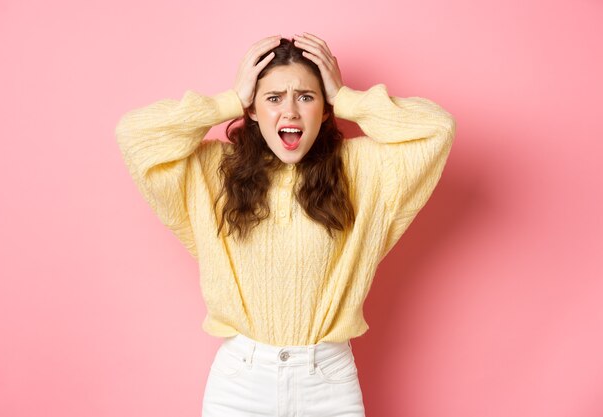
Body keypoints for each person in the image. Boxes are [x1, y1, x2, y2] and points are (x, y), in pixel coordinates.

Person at [115, 32, 456, 417]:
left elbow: (437, 128)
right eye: (273, 98)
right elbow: (135, 134)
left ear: (324, 110)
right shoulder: (213, 171)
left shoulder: (361, 170)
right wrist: (228, 100)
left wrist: (346, 97)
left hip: (328, 381)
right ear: (253, 109)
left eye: (306, 97)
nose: (290, 111)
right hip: (240, 383)